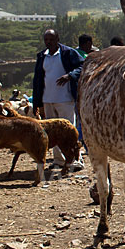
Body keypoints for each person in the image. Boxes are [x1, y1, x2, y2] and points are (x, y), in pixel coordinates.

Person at [33, 29, 85, 171]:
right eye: (46, 40)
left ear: (57, 39)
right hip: (47, 100)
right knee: (51, 133)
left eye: (51, 39)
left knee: (69, 131)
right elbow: (37, 80)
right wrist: (36, 103)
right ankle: (59, 160)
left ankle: (76, 159)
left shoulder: (68, 53)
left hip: (65, 99)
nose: (48, 42)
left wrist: (69, 76)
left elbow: (82, 66)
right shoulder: (42, 56)